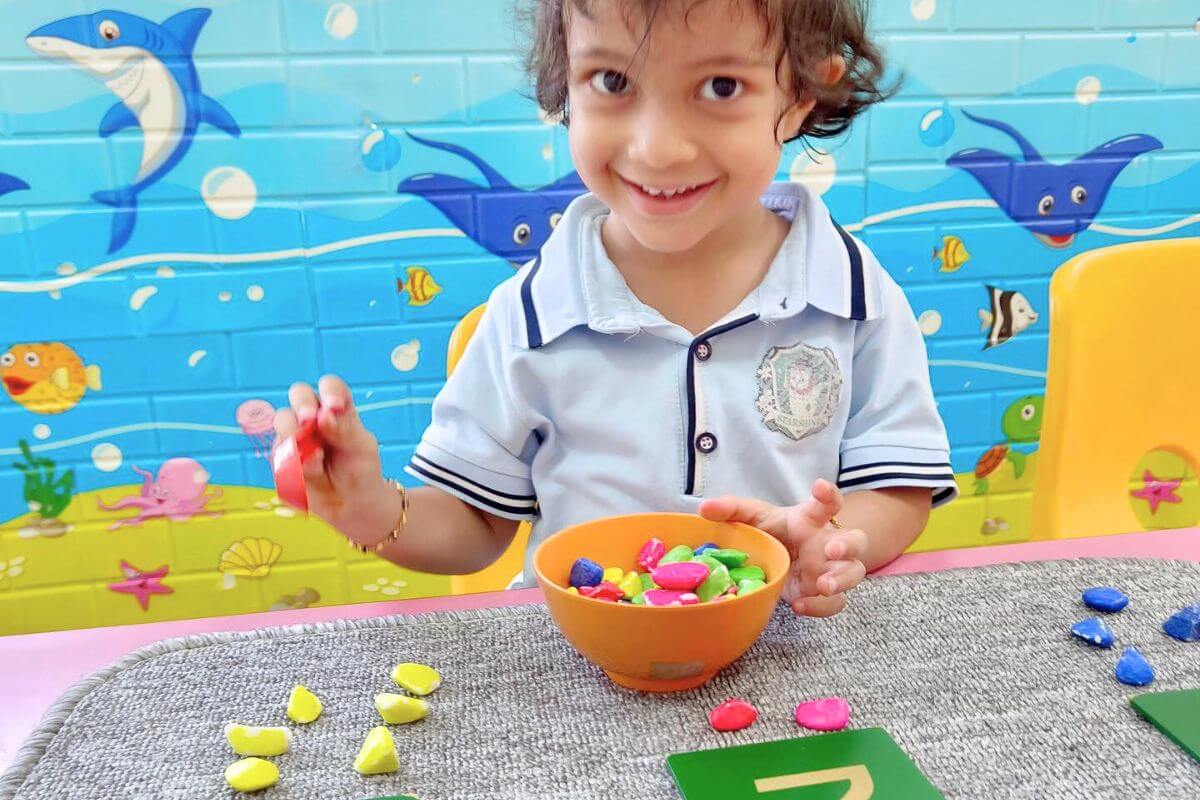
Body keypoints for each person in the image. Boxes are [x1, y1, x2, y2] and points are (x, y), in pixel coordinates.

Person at [275, 0, 957, 618]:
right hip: (574, 681)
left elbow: (899, 487)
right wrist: (372, 510)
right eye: (612, 81)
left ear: (803, 92)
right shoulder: (533, 312)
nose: (657, 148)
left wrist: (836, 543)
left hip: (780, 656)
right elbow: (473, 525)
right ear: (565, 80)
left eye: (721, 87)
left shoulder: (855, 296)